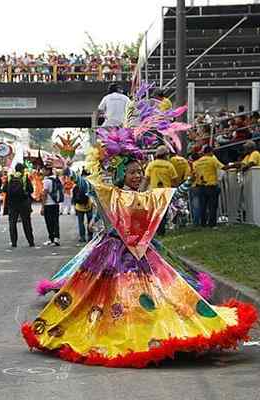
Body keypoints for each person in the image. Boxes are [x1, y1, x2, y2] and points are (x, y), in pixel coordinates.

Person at [22, 89, 257, 368]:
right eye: (132, 173)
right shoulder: (110, 194)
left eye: (138, 172)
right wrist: (67, 170)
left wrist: (184, 184)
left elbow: (165, 197)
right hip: (110, 256)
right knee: (105, 300)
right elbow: (87, 187)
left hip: (144, 255)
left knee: (157, 296)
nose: (136, 176)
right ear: (122, 174)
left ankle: (155, 332)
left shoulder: (144, 196)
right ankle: (116, 335)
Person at [144, 145, 178, 235]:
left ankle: (156, 230)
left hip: (154, 191)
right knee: (163, 212)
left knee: (155, 212)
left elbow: (147, 178)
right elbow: (174, 179)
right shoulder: (169, 165)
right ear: (165, 155)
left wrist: (143, 189)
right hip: (166, 192)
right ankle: (161, 231)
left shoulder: (151, 164)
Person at [3, 163, 35, 248]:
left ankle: (14, 242)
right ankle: (30, 241)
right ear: (22, 170)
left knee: (12, 223)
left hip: (12, 204)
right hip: (23, 203)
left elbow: (4, 189)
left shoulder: (10, 177)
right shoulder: (25, 177)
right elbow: (31, 190)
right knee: (26, 223)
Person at [192, 145, 225, 228]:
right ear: (210, 152)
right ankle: (212, 224)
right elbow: (223, 167)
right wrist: (233, 165)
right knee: (212, 206)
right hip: (211, 186)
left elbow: (194, 173)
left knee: (203, 206)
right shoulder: (212, 159)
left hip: (201, 186)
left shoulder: (198, 161)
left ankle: (203, 223)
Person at [41, 163, 62, 246]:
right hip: (56, 203)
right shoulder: (56, 179)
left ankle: (52, 239)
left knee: (49, 222)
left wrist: (42, 207)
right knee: (56, 221)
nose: (42, 171)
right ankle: (57, 238)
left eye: (44, 170)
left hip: (48, 204)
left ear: (48, 170)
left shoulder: (46, 181)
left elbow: (45, 194)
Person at [72, 170, 93, 243]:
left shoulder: (77, 184)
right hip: (88, 205)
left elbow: (73, 196)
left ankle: (82, 237)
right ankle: (90, 236)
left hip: (79, 206)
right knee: (90, 221)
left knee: (80, 222)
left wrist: (74, 206)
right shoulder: (89, 183)